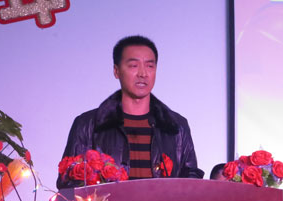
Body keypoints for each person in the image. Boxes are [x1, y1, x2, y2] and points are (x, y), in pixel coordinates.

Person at [57, 35, 203, 188]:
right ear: (116, 71)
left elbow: (191, 180)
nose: (143, 73)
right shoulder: (88, 124)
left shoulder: (176, 126)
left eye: (150, 66)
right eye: (133, 66)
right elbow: (68, 181)